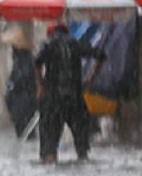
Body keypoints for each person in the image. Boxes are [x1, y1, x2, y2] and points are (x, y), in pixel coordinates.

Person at [34, 22, 106, 163]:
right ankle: (81, 156)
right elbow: (100, 55)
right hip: (75, 100)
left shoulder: (48, 45)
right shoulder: (76, 44)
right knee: (82, 150)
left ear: (50, 35)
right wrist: (90, 79)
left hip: (53, 101)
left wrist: (40, 86)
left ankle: (51, 161)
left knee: (48, 151)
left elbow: (36, 61)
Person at [1, 24, 37, 138]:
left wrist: (12, 89)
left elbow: (21, 77)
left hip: (23, 100)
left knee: (25, 131)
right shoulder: (20, 58)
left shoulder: (24, 59)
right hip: (22, 100)